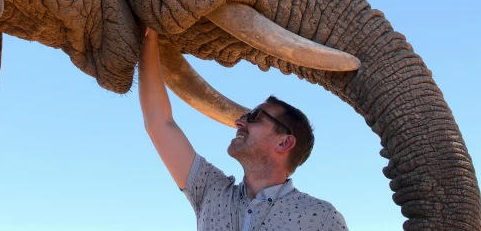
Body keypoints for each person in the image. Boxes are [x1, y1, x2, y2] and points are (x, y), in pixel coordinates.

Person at [139, 27, 348, 231]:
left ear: (284, 142)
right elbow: (160, 124)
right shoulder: (210, 190)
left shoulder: (321, 219)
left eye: (255, 117)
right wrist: (150, 37)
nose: (239, 122)